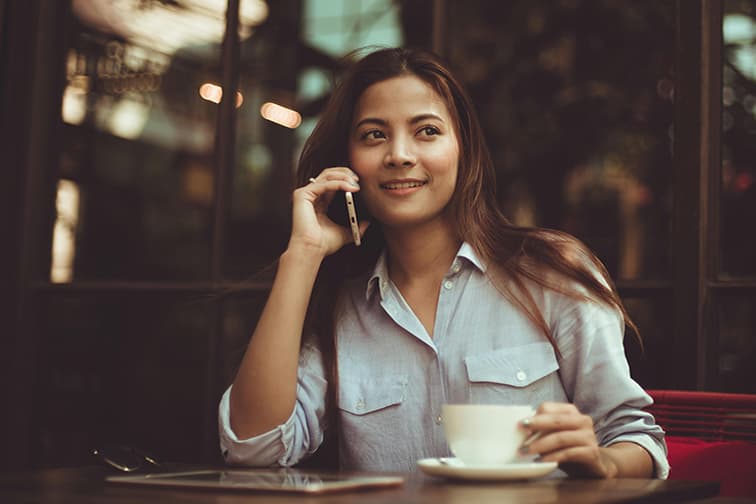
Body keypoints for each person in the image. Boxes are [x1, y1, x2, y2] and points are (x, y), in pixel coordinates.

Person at [218, 46, 669, 479]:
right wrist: (302, 255)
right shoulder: (341, 307)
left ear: (463, 150)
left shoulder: (550, 273)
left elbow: (636, 438)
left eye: (427, 131)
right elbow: (252, 448)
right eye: (374, 135)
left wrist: (602, 462)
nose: (399, 154)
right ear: (349, 163)